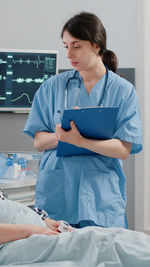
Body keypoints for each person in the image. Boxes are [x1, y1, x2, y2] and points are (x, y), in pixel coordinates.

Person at [23, 12, 143, 229]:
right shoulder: (52, 87)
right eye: (66, 46)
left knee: (104, 255)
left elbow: (123, 148)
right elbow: (39, 141)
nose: (69, 54)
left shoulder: (123, 91)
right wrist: (61, 136)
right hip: (58, 188)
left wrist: (80, 141)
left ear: (97, 46)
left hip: (101, 193)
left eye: (76, 46)